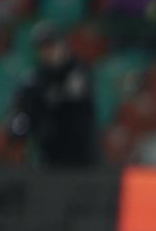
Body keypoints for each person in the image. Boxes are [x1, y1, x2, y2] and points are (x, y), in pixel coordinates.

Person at [10, 27, 98, 168]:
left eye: (51, 46)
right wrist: (18, 131)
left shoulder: (77, 71)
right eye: (43, 48)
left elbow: (75, 103)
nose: (48, 52)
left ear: (63, 46)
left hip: (79, 155)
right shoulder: (37, 77)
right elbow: (24, 112)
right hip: (49, 154)